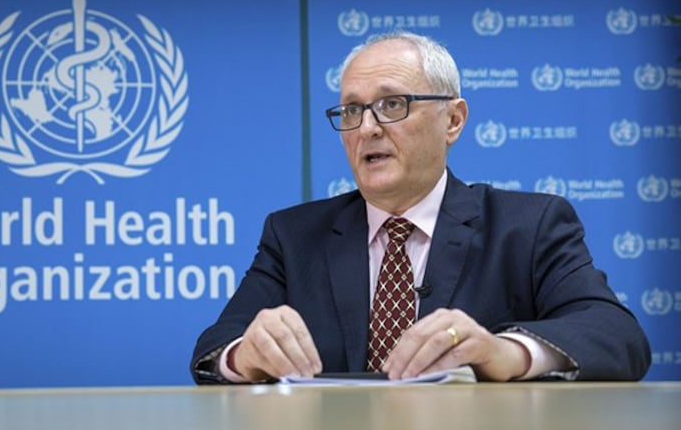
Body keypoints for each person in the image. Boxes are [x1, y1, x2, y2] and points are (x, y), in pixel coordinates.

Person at [190, 31, 651, 384]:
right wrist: (245, 355)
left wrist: (505, 353)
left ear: (453, 120)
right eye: (351, 110)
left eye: (392, 104)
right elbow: (214, 349)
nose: (366, 128)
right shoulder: (293, 236)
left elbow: (618, 336)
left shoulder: (528, 226)